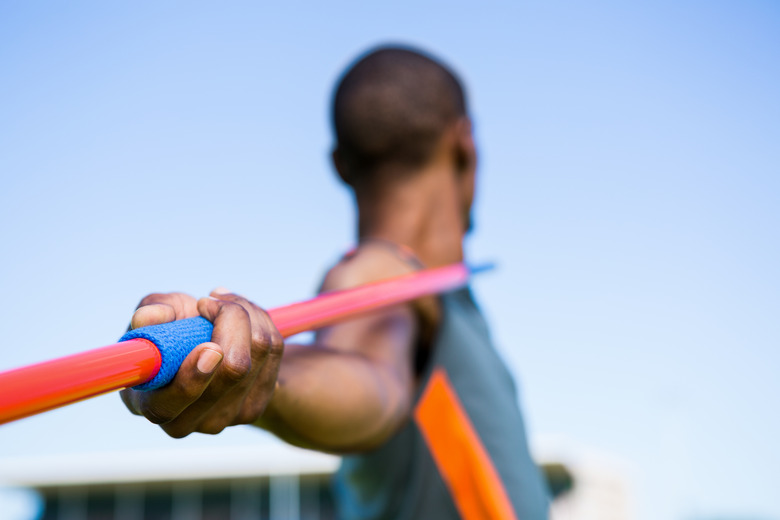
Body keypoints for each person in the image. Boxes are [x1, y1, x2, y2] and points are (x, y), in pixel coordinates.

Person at [121, 45, 550, 519]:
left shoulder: (444, 295)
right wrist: (247, 363)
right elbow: (367, 374)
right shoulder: (374, 274)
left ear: (340, 164)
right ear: (464, 143)